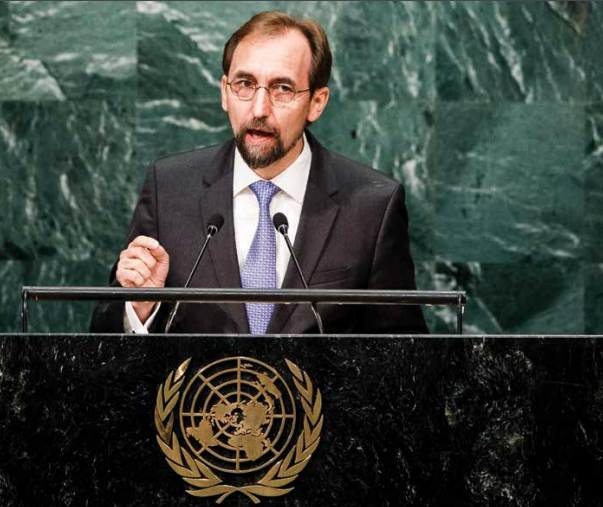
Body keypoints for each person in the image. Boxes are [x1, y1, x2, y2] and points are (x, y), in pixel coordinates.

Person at [90, 11, 428, 335]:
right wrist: (140, 307)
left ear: (317, 102)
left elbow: (405, 351)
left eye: (283, 88)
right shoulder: (169, 189)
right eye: (245, 84)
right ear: (225, 92)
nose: (259, 109)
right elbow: (101, 341)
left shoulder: (372, 206)